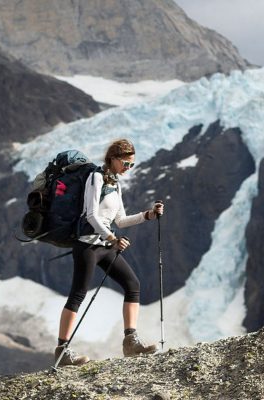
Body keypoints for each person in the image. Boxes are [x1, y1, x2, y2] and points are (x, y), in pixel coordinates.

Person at [55, 139, 165, 366]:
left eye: (131, 165)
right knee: (77, 296)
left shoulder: (115, 183)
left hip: (105, 246)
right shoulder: (95, 178)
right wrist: (113, 239)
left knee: (132, 284)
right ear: (113, 159)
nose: (127, 168)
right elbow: (91, 216)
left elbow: (121, 221)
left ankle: (130, 342)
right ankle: (62, 351)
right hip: (87, 246)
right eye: (125, 163)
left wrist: (148, 215)